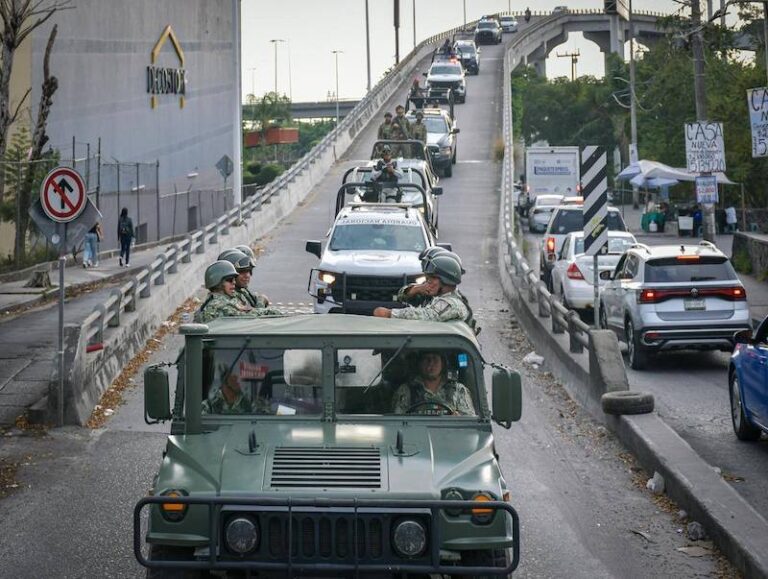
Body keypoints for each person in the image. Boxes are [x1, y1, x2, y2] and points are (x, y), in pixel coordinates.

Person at [373, 252, 473, 326]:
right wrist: (415, 290)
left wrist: (390, 314)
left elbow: (426, 316)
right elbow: (402, 296)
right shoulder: (437, 296)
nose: (428, 282)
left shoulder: (452, 303)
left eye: (433, 278)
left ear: (445, 280)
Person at [194, 260, 281, 323]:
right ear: (218, 283)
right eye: (230, 280)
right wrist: (274, 312)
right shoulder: (220, 305)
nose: (234, 283)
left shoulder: (218, 300)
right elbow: (251, 316)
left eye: (234, 280)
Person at [390, 351, 475, 416]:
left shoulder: (458, 390)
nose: (431, 363)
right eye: (426, 359)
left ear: (443, 364)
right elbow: (398, 421)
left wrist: (458, 418)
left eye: (435, 359)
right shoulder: (406, 390)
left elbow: (470, 423)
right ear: (419, 364)